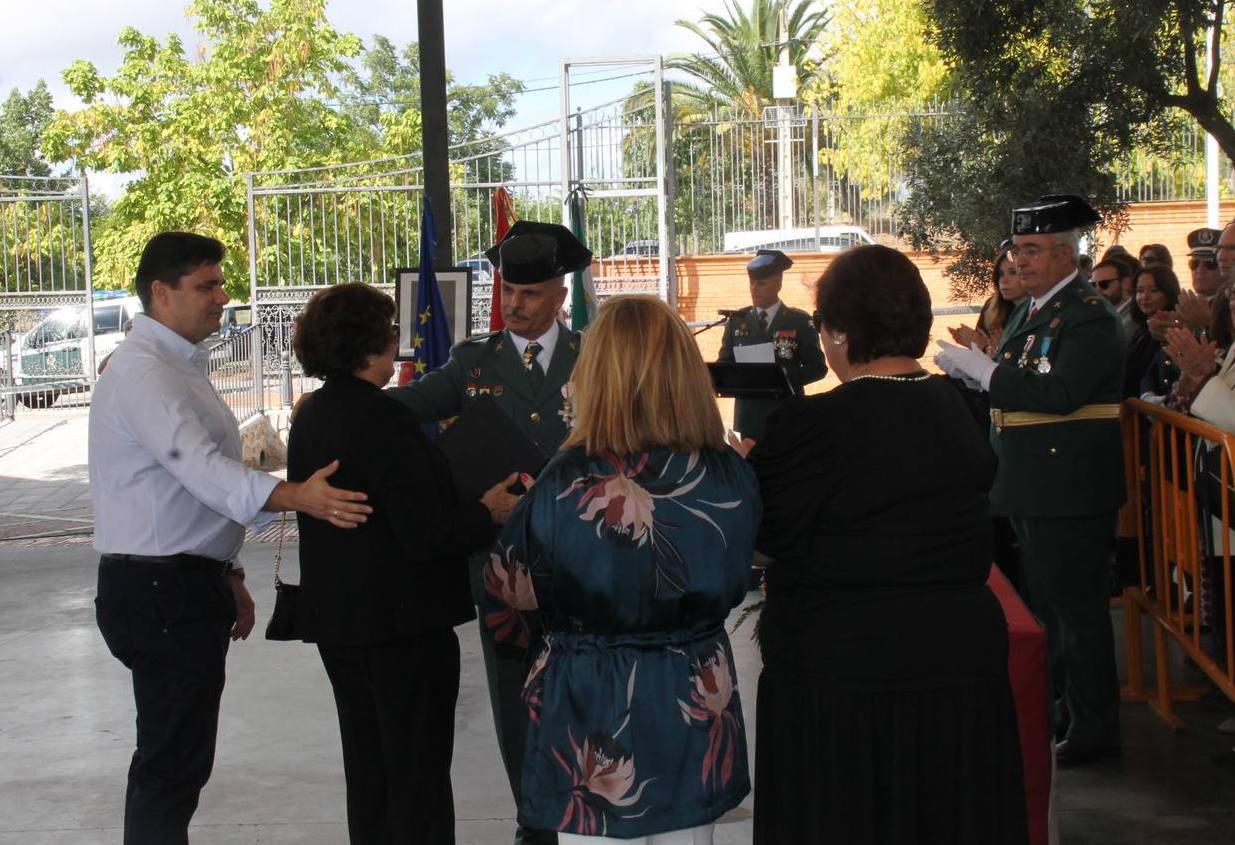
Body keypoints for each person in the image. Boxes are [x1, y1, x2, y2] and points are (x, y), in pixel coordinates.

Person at [89, 232, 372, 844]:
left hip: (181, 580)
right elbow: (198, 467)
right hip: (158, 587)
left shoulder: (173, 365)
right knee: (171, 764)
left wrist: (228, 572)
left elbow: (185, 490)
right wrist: (296, 496)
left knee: (179, 759)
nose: (222, 298)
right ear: (161, 293)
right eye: (206, 286)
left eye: (220, 283)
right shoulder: (145, 372)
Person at [748, 244, 1026, 843]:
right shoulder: (963, 409)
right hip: (957, 672)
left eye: (824, 328)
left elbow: (763, 542)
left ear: (842, 334)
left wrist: (750, 478)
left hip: (844, 681)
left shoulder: (811, 426)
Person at [481, 295, 759, 844]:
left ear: (597, 372)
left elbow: (506, 599)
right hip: (696, 693)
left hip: (592, 705)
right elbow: (739, 570)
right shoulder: (730, 471)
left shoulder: (564, 482)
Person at [287, 283, 519, 843]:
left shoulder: (313, 412)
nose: (398, 341)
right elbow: (425, 531)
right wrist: (486, 512)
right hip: (401, 625)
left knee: (368, 769)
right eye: (391, 332)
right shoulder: (383, 418)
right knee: (416, 773)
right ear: (367, 346)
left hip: (342, 620)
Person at [388, 218, 590, 845]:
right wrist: (342, 403)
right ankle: (535, 822)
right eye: (508, 293)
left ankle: (588, 811)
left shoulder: (594, 359)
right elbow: (408, 406)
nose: (516, 305)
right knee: (514, 699)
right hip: (501, 567)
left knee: (586, 687)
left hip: (584, 559)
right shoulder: (473, 362)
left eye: (530, 294)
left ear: (559, 296)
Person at [937, 194, 1125, 766]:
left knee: (1078, 612)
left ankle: (1094, 729)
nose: (1019, 261)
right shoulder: (1035, 308)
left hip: (1067, 486)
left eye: (1034, 250)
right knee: (1051, 608)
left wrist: (986, 371)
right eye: (1017, 249)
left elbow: (1061, 395)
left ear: (1069, 254)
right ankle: (1066, 713)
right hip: (1034, 481)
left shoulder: (1087, 314)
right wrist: (980, 377)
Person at [716, 249, 826, 440]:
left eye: (761, 283)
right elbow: (724, 363)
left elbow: (817, 367)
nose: (754, 289)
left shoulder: (798, 321)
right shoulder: (736, 321)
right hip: (750, 417)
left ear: (778, 284)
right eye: (751, 283)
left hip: (787, 414)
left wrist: (780, 377)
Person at [1124, 265, 1181, 399]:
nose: (1145, 297)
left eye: (1154, 290)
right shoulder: (1140, 330)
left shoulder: (1175, 330)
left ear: (1168, 292)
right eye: (1139, 291)